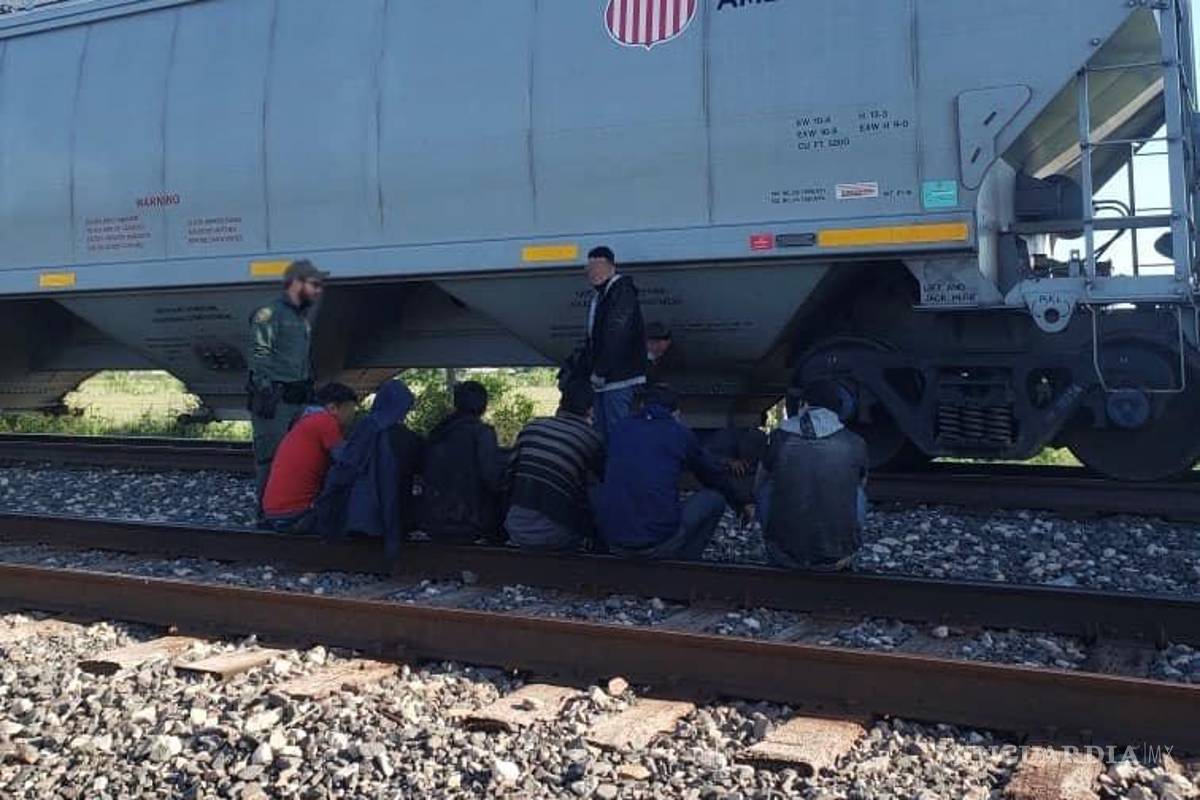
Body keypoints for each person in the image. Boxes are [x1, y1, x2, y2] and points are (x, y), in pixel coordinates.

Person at [596, 384, 752, 560]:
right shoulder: (680, 433)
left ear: (641, 405)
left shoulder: (620, 428)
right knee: (714, 499)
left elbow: (604, 470)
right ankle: (686, 562)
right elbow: (711, 475)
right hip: (656, 540)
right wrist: (740, 502)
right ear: (676, 412)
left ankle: (599, 549)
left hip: (613, 539)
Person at [755, 381, 868, 571]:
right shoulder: (855, 442)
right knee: (857, 491)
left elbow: (758, 483)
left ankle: (776, 545)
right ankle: (845, 551)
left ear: (804, 404)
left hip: (783, 556)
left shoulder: (779, 437)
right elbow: (862, 483)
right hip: (836, 559)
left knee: (767, 486)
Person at [247, 259, 328, 514]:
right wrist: (265, 389)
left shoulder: (301, 319)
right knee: (271, 459)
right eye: (313, 284)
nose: (318, 291)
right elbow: (259, 355)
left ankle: (286, 510)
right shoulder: (268, 314)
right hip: (276, 400)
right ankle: (265, 514)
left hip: (297, 397)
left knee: (296, 458)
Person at [313, 380, 417, 558]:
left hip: (361, 517)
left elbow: (346, 467)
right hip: (397, 517)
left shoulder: (367, 427)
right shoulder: (407, 437)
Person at [504, 380, 606, 551]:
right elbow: (602, 483)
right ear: (591, 410)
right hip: (556, 534)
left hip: (515, 528)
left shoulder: (532, 427)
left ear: (560, 403)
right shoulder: (592, 438)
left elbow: (507, 479)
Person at [260, 383, 359, 533]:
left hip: (275, 513)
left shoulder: (306, 421)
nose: (353, 414)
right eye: (350, 408)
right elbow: (348, 462)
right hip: (296, 515)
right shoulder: (325, 421)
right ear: (333, 408)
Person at [419, 381, 506, 543]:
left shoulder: (438, 433)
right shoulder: (482, 433)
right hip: (468, 523)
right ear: (484, 406)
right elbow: (492, 479)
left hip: (433, 521)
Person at [582, 246, 647, 440]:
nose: (594, 273)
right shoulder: (605, 295)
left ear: (612, 267)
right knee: (605, 431)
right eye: (590, 268)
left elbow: (616, 332)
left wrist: (601, 370)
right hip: (611, 378)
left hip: (618, 378)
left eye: (598, 267)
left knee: (616, 431)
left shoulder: (620, 292)